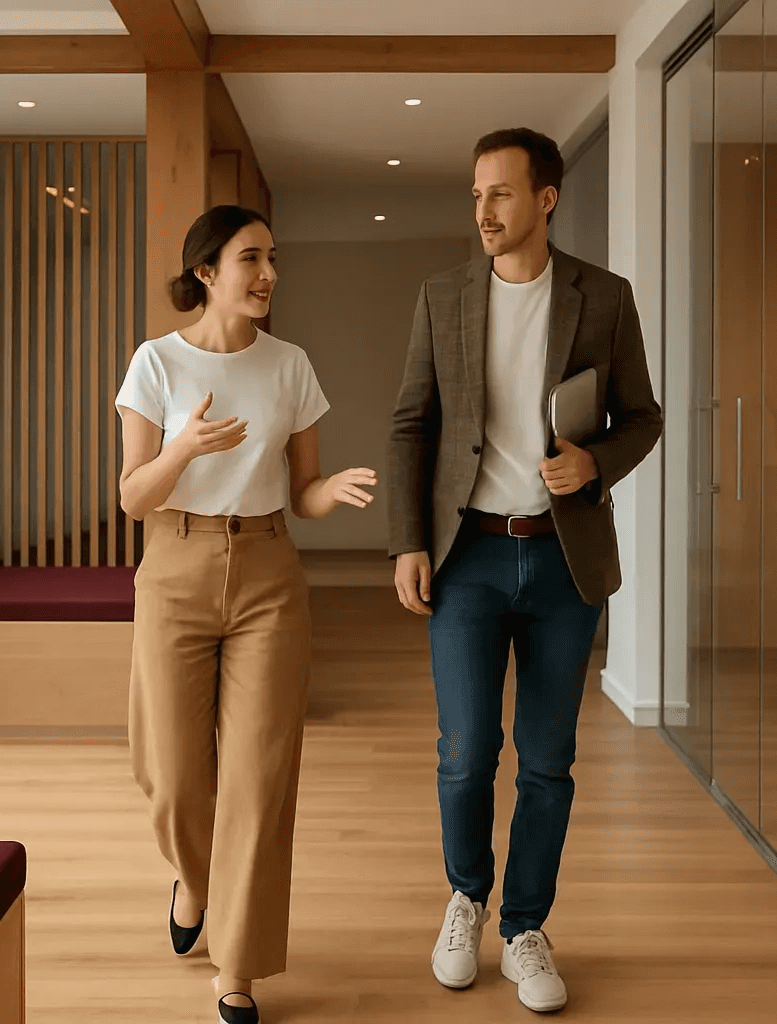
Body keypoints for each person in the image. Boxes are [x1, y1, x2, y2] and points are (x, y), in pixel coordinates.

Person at [386, 128, 664, 1013]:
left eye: (501, 194)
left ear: (545, 198)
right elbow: (409, 425)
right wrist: (406, 541)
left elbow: (643, 419)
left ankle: (526, 927)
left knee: (547, 759)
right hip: (467, 554)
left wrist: (595, 465)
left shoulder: (604, 297)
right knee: (467, 753)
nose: (484, 211)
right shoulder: (443, 297)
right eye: (476, 194)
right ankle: (466, 897)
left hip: (561, 560)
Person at [116, 205, 377, 1024]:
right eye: (251, 259)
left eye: (272, 259)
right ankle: (194, 879)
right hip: (175, 566)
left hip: (268, 572)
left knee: (260, 781)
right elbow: (130, 497)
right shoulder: (154, 364)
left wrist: (325, 496)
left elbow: (301, 490)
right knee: (173, 779)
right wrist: (184, 448)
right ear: (207, 271)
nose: (268, 275)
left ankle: (238, 965)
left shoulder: (290, 365)